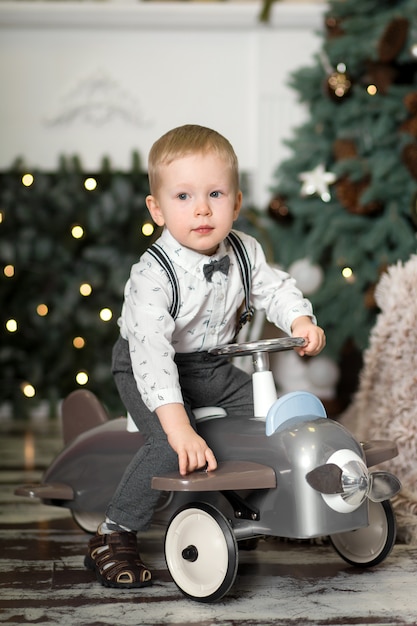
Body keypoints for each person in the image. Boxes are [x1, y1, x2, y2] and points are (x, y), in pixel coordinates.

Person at [84, 124, 326, 589]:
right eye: (183, 197)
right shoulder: (152, 276)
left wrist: (299, 320)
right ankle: (113, 532)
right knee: (169, 444)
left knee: (265, 419)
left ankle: (253, 505)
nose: (201, 208)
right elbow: (152, 355)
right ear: (156, 208)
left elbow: (274, 289)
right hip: (147, 366)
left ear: (236, 203)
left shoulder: (244, 249)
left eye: (215, 194)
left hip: (211, 365)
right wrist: (178, 427)